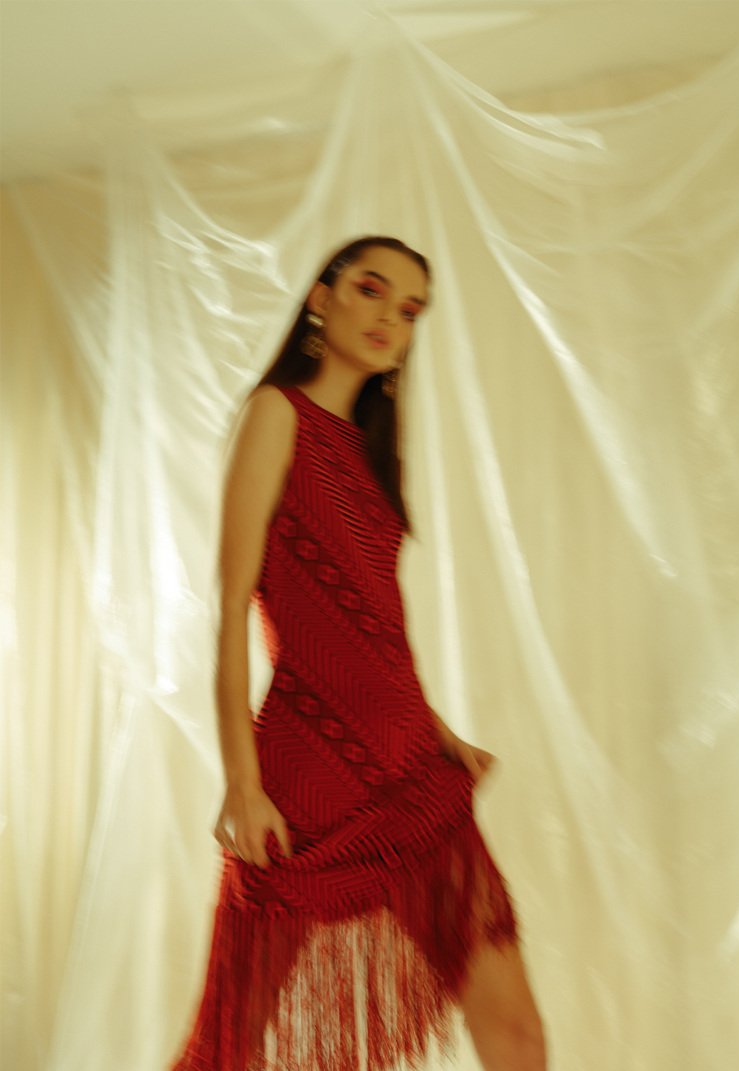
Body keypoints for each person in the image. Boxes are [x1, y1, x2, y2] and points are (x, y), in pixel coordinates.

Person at [169, 237, 546, 1071]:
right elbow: (232, 606)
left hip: (412, 766)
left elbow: (371, 624)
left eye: (410, 310)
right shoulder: (279, 414)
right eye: (373, 290)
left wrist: (436, 725)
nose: (389, 317)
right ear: (321, 296)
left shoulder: (374, 451)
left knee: (517, 1036)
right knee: (236, 1044)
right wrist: (242, 782)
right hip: (309, 774)